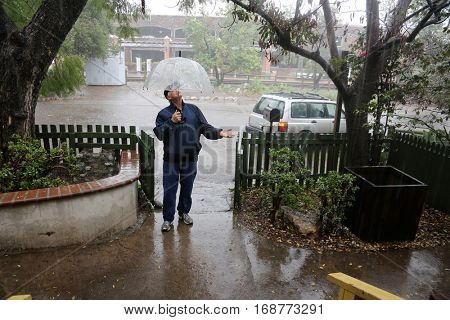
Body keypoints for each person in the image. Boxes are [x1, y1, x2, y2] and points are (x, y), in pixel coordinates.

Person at [153, 84, 234, 232]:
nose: (177, 89)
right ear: (168, 96)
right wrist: (171, 122)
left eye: (177, 87)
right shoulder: (163, 114)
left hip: (190, 158)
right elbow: (159, 134)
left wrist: (219, 133)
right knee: (169, 190)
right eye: (172, 88)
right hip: (171, 160)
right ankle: (167, 219)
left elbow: (205, 128)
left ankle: (184, 212)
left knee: (187, 188)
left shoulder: (194, 110)